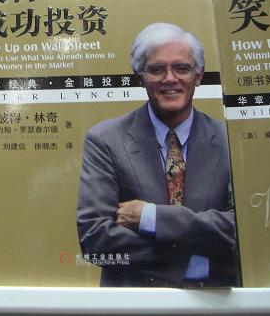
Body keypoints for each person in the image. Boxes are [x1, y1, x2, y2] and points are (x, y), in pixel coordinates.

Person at [76, 22, 239, 287]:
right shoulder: (105, 140)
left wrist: (150, 217)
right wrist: (198, 254)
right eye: (156, 69)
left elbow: (243, 231)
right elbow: (96, 240)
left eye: (182, 68)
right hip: (135, 304)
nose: (170, 78)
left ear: (198, 75)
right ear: (139, 77)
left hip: (216, 302)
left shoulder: (231, 140)